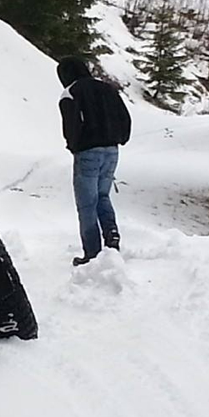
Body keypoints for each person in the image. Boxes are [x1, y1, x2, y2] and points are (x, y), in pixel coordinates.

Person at [57, 57, 132, 266]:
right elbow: (125, 118)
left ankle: (92, 254)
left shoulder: (70, 93)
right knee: (102, 196)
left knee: (86, 205)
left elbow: (70, 126)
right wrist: (120, 138)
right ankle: (112, 238)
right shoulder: (108, 88)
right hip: (113, 150)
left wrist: (74, 146)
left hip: (87, 152)